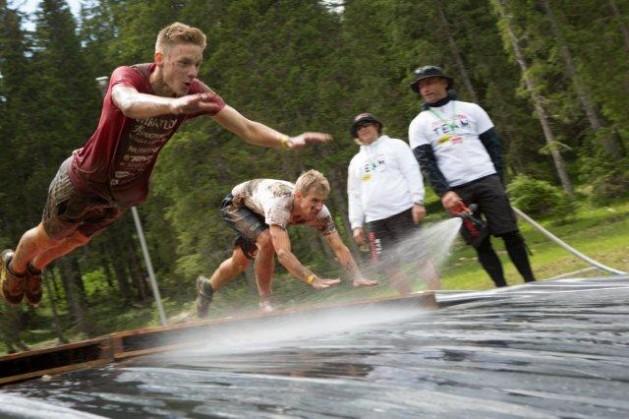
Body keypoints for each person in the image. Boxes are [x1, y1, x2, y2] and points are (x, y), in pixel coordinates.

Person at [0, 22, 332, 307]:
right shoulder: (129, 76)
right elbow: (128, 103)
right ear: (160, 59)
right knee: (49, 237)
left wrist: (287, 140)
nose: (192, 73)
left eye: (197, 64)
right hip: (83, 180)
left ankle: (35, 269)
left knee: (76, 240)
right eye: (184, 63)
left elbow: (245, 127)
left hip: (122, 192)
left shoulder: (194, 91)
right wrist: (173, 107)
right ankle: (15, 266)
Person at [408, 65, 536, 287]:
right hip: (456, 190)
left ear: (444, 83)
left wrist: (497, 179)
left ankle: (530, 282)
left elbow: (493, 145)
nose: (426, 88)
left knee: (510, 233)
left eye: (430, 82)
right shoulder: (419, 123)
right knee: (480, 242)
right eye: (421, 86)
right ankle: (501, 288)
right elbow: (426, 163)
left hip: (487, 178)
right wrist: (444, 192)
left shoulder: (471, 109)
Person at [195, 169, 377, 317]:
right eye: (314, 200)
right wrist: (311, 278)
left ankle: (208, 288)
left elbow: (338, 246)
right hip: (238, 205)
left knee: (239, 262)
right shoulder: (280, 205)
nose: (318, 207)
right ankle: (265, 302)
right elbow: (283, 254)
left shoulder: (322, 214)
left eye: (322, 201)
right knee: (266, 241)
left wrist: (357, 276)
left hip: (261, 206)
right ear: (298, 196)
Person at [347, 113, 441, 294]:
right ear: (356, 134)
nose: (363, 129)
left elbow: (412, 172)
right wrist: (356, 225)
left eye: (367, 124)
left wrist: (418, 201)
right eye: (359, 128)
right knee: (389, 266)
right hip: (376, 222)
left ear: (377, 126)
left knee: (420, 259)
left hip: (403, 211)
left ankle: (437, 298)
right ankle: (409, 302)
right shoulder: (355, 162)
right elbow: (354, 194)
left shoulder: (396, 146)